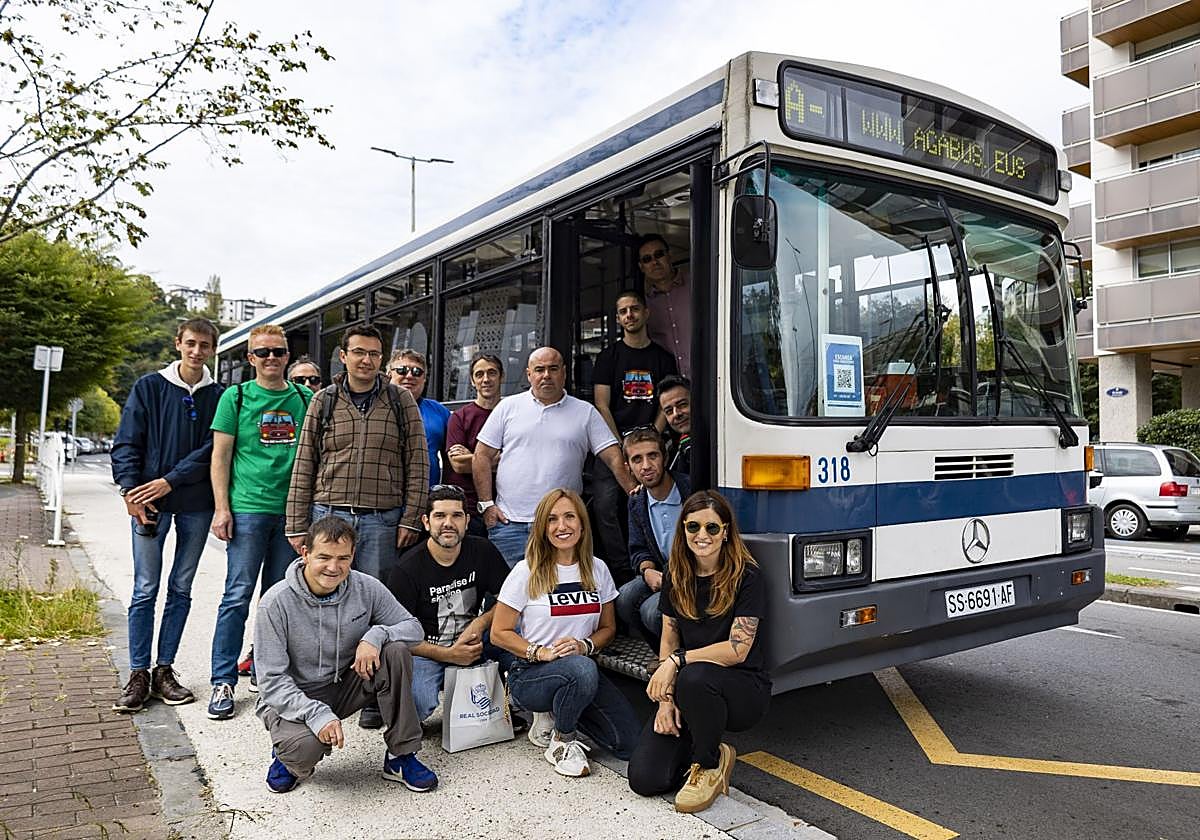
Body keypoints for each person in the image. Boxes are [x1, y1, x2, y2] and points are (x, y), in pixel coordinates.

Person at [285, 324, 429, 729]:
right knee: (322, 601)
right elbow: (304, 463)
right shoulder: (324, 401)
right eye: (359, 353)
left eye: (374, 354)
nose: (367, 360)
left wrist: (409, 517)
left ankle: (370, 695)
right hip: (327, 515)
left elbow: (418, 463)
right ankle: (319, 687)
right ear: (343, 357)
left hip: (382, 520)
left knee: (373, 607)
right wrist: (298, 525)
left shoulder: (400, 401)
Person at [254, 516, 437, 794]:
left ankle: (401, 756)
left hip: (345, 685)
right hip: (297, 695)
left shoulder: (365, 587)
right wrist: (316, 714)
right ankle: (285, 756)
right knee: (303, 751)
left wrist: (375, 635)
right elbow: (271, 681)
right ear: (305, 554)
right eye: (324, 557)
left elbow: (413, 629)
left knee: (395, 651)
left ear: (352, 556)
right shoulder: (275, 603)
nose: (333, 567)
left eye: (343, 558)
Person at [627, 490, 770, 814]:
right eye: (693, 527)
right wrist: (665, 703)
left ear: (726, 531)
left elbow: (737, 649)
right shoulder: (676, 574)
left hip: (743, 690)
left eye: (712, 528)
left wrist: (677, 663)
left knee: (693, 676)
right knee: (645, 779)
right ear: (684, 531)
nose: (701, 535)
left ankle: (709, 763)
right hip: (694, 686)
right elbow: (669, 640)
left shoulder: (748, 576)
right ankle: (701, 741)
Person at [110, 317, 223, 713]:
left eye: (204, 345)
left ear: (213, 349)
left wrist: (170, 481)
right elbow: (126, 443)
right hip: (148, 503)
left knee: (181, 589)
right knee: (144, 589)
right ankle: (138, 674)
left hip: (195, 503)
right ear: (178, 343)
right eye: (190, 343)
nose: (196, 351)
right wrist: (130, 491)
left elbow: (213, 449)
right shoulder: (149, 387)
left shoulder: (220, 395)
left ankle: (164, 670)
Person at [491, 489, 640, 778]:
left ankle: (567, 707)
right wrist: (541, 651)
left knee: (629, 745)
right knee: (582, 671)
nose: (562, 526)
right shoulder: (527, 570)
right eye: (552, 519)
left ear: (582, 524)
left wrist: (585, 645)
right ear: (543, 528)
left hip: (581, 670)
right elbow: (499, 633)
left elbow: (609, 629)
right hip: (532, 674)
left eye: (570, 517)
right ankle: (562, 739)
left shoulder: (598, 569)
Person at [206, 324, 312, 720]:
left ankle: (271, 680)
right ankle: (223, 679)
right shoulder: (235, 397)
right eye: (263, 352)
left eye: (278, 351)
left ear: (288, 356)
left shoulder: (304, 396)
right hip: (249, 509)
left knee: (279, 600)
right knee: (237, 595)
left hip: (292, 513)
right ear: (251, 358)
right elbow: (220, 457)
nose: (271, 358)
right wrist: (222, 508)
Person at [472, 346, 636, 569]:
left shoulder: (585, 412)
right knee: (507, 597)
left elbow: (614, 457)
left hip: (563, 527)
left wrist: (636, 496)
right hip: (510, 525)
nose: (546, 375)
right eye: (539, 369)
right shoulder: (507, 407)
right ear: (529, 374)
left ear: (564, 373)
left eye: (553, 368)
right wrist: (486, 505)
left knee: (560, 596)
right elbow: (481, 455)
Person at [386, 484, 512, 724]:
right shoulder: (407, 568)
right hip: (425, 650)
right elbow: (397, 636)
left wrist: (480, 623)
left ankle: (524, 702)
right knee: (419, 707)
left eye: (456, 515)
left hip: (473, 641)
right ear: (426, 522)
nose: (448, 523)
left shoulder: (482, 550)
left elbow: (509, 600)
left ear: (466, 520)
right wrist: (449, 654)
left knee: (516, 629)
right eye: (440, 516)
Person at [591, 290, 677, 580]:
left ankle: (655, 562)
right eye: (623, 311)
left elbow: (668, 401)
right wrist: (620, 446)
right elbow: (601, 403)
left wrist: (653, 434)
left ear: (646, 313)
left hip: (654, 442)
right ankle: (622, 572)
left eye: (634, 309)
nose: (629, 315)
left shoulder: (663, 358)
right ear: (618, 318)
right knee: (605, 506)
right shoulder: (608, 357)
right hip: (612, 444)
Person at [614, 428, 690, 649]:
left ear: (664, 457)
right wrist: (647, 571)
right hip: (663, 571)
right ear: (629, 468)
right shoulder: (637, 501)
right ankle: (660, 651)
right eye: (637, 459)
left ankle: (678, 655)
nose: (646, 465)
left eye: (652, 456)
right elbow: (638, 549)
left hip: (693, 573)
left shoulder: (690, 490)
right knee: (624, 598)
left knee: (651, 612)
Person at [445, 353, 503, 538]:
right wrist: (492, 458)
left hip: (505, 508)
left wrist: (473, 455)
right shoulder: (459, 417)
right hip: (468, 510)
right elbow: (459, 465)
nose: (486, 379)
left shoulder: (512, 413)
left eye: (492, 373)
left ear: (502, 377)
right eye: (479, 374)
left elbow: (519, 460)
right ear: (472, 380)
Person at [389, 348, 451, 486]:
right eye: (402, 370)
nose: (410, 376)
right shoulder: (374, 408)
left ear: (424, 379)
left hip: (427, 496)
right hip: (385, 500)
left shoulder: (440, 412)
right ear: (389, 375)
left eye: (417, 372)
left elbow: (450, 460)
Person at [638, 233, 691, 378]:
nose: (654, 262)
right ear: (641, 267)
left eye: (659, 254)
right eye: (647, 259)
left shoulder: (697, 285)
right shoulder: (643, 307)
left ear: (670, 255)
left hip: (708, 379)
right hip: (670, 388)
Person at [658, 375, 692, 474]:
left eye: (682, 405)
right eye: (669, 411)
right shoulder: (673, 447)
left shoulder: (716, 439)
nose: (676, 414)